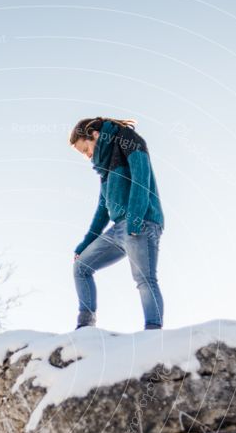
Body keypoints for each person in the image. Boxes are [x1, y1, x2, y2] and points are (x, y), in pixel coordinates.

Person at [70, 116, 165, 330]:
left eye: (85, 149)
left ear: (93, 135)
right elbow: (103, 209)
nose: (87, 156)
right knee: (81, 267)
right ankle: (85, 327)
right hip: (119, 228)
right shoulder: (104, 166)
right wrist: (85, 244)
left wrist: (135, 218)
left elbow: (142, 177)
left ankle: (153, 330)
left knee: (144, 278)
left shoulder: (127, 139)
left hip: (142, 222)